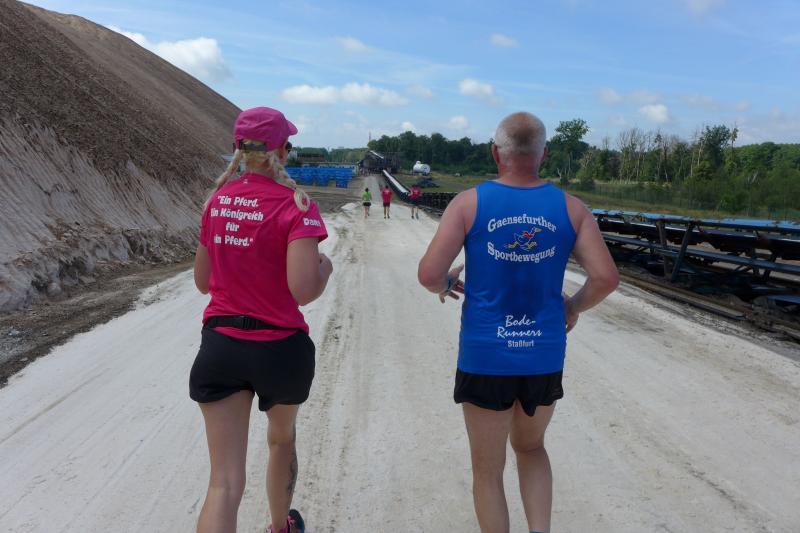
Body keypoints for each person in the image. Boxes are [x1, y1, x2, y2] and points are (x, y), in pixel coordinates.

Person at [417, 112, 619, 533]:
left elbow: (429, 275)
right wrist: (572, 307)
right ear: (543, 154)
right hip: (543, 356)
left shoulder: (468, 203)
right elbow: (605, 278)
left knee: (488, 470)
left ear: (496, 153)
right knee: (531, 449)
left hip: (485, 357)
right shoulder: (572, 208)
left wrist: (448, 281)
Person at [191, 106, 333, 533]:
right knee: (281, 439)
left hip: (221, 346)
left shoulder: (217, 202)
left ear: (238, 149)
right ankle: (280, 526)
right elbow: (303, 289)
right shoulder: (298, 206)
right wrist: (324, 269)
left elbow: (203, 282)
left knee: (223, 483)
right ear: (282, 151)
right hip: (280, 350)